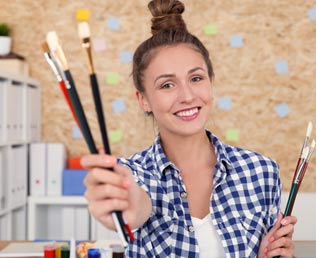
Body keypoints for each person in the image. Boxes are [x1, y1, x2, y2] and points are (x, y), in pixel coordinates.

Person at [81, 0, 297, 257]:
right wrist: (126, 203)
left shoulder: (261, 171)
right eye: (166, 85)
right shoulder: (133, 175)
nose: (187, 96)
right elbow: (137, 206)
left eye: (196, 78)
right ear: (144, 100)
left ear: (210, 83)